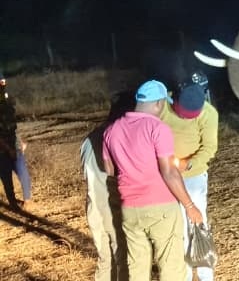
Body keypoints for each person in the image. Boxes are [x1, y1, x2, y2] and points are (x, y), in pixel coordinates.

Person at [103, 80, 204, 281]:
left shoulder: (111, 130)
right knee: (171, 267)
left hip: (130, 208)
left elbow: (109, 170)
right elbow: (169, 172)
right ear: (158, 103)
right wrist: (190, 205)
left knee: (137, 268)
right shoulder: (158, 128)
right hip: (161, 207)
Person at [159, 72, 219, 281]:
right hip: (165, 175)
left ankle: (205, 274)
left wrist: (189, 163)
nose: (186, 118)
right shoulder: (162, 106)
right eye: (183, 114)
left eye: (191, 115)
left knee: (197, 222)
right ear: (174, 99)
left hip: (193, 176)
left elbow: (210, 148)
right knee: (176, 227)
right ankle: (182, 274)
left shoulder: (209, 113)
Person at [82, 126, 121, 281]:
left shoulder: (88, 139)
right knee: (122, 260)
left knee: (105, 260)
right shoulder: (117, 135)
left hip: (93, 206)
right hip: (112, 207)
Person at [0, 73, 33, 209]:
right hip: (3, 148)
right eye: (1, 82)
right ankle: (14, 204)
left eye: (3, 82)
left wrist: (19, 141)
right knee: (7, 176)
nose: (3, 84)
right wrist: (9, 149)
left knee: (21, 173)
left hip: (12, 143)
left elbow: (12, 127)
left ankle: (26, 201)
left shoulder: (7, 102)